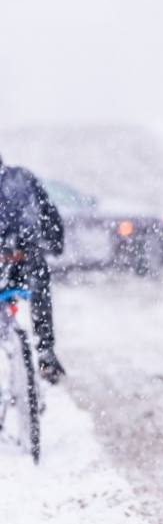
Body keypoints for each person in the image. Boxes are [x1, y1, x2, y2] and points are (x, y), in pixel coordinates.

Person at [0, 153, 66, 383]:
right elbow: (49, 213)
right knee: (40, 292)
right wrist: (56, 243)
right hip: (25, 256)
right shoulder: (22, 177)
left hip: (11, 258)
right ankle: (46, 354)